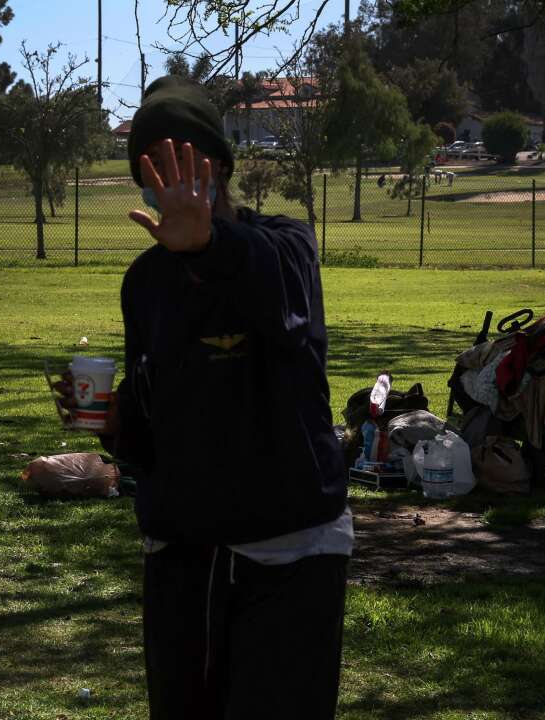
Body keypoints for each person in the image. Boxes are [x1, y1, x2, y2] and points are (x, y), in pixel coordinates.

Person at [57, 76, 351, 720]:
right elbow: (154, 423)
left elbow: (288, 315)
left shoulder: (285, 246)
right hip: (183, 556)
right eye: (149, 167)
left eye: (179, 162)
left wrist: (211, 243)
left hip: (291, 552)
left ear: (218, 168)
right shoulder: (146, 283)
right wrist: (114, 424)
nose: (165, 181)